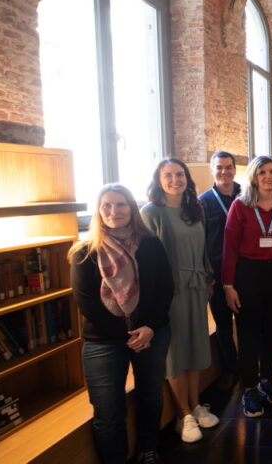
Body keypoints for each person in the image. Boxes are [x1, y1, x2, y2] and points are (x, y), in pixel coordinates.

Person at [71, 184, 173, 464]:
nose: (114, 211)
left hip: (152, 332)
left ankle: (147, 450)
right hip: (103, 340)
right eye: (107, 206)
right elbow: (87, 303)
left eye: (121, 205)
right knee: (108, 410)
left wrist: (149, 327)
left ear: (131, 208)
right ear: (99, 211)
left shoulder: (150, 243)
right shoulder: (84, 252)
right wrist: (128, 334)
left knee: (151, 398)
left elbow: (165, 288)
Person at [140, 158, 218, 443]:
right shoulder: (151, 212)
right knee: (176, 352)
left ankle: (196, 404)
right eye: (168, 175)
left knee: (196, 346)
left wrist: (208, 281)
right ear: (158, 180)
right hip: (169, 291)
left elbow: (203, 250)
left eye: (180, 174)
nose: (175, 179)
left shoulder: (193, 208)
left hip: (197, 287)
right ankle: (182, 414)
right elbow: (147, 259)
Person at [221, 155, 272, 418]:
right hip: (248, 275)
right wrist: (228, 285)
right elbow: (229, 248)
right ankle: (250, 388)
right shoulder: (240, 206)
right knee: (248, 333)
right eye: (263, 172)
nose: (269, 176)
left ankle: (267, 379)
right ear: (254, 176)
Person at [197, 151, 241, 390]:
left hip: (245, 272)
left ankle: (249, 369)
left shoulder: (246, 195)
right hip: (217, 272)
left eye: (228, 167)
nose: (224, 172)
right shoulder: (202, 201)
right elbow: (201, 240)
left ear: (235, 169)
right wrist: (208, 275)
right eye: (219, 167)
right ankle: (230, 369)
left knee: (247, 324)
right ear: (212, 170)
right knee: (223, 325)